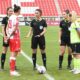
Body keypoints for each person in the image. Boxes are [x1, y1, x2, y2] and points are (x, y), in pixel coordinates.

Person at [6, 4, 21, 76]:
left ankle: (12, 70)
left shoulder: (10, 17)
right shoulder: (16, 17)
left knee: (13, 53)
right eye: (20, 10)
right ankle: (12, 71)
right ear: (18, 10)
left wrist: (8, 36)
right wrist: (10, 36)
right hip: (15, 37)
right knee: (14, 54)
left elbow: (7, 28)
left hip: (11, 37)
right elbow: (15, 29)